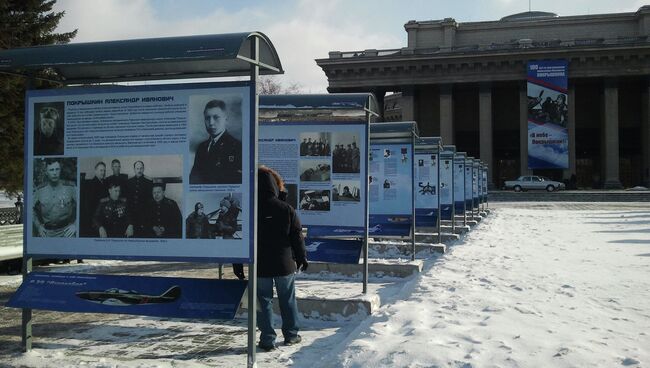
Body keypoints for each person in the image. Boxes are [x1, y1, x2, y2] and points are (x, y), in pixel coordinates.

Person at [256, 166, 308, 351]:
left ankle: (267, 339)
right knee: (287, 299)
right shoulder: (286, 209)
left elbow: (243, 240)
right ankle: (291, 335)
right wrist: (302, 257)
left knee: (262, 302)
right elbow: (297, 236)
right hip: (284, 264)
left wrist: (238, 263)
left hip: (259, 265)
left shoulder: (251, 209)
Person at [190, 99, 242, 184]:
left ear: (226, 119)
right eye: (207, 118)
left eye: (216, 117)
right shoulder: (201, 147)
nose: (211, 123)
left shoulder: (237, 146)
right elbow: (193, 178)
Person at [33, 159, 76, 237]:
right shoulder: (40, 190)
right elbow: (31, 209)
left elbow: (82, 207)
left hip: (67, 232)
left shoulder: (70, 188)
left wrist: (75, 225)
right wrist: (38, 226)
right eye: (51, 170)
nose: (55, 173)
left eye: (57, 169)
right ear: (46, 172)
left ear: (60, 170)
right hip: (46, 233)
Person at [126, 161, 153, 237]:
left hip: (144, 216)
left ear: (143, 169)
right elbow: (127, 202)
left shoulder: (149, 182)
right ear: (134, 169)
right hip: (131, 215)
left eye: (141, 168)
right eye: (137, 168)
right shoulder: (129, 182)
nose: (139, 170)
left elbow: (150, 202)